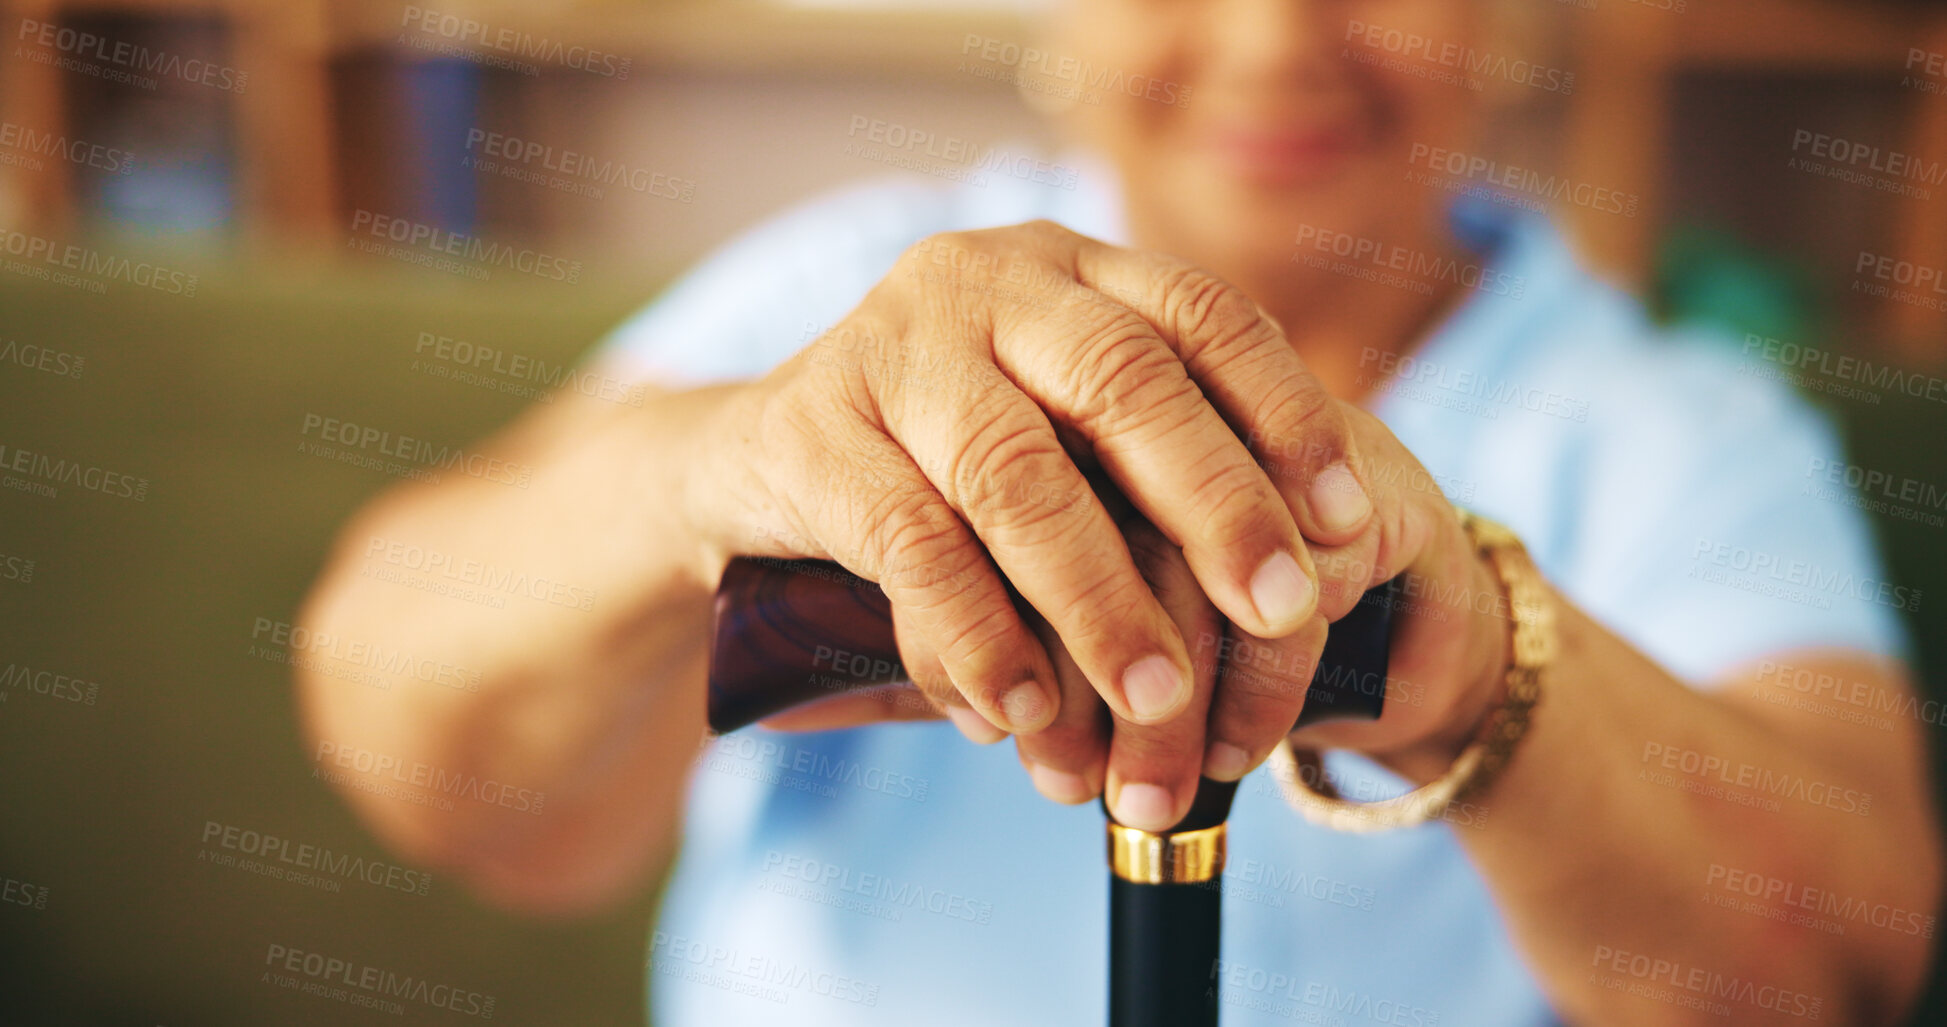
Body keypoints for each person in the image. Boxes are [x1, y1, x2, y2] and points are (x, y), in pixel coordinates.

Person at [295, 0, 1942, 1023]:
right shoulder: (831, 287)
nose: (1273, 37)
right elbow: (430, 756)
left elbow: (1831, 976)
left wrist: (1480, 660)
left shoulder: (1682, 424)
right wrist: (700, 476)